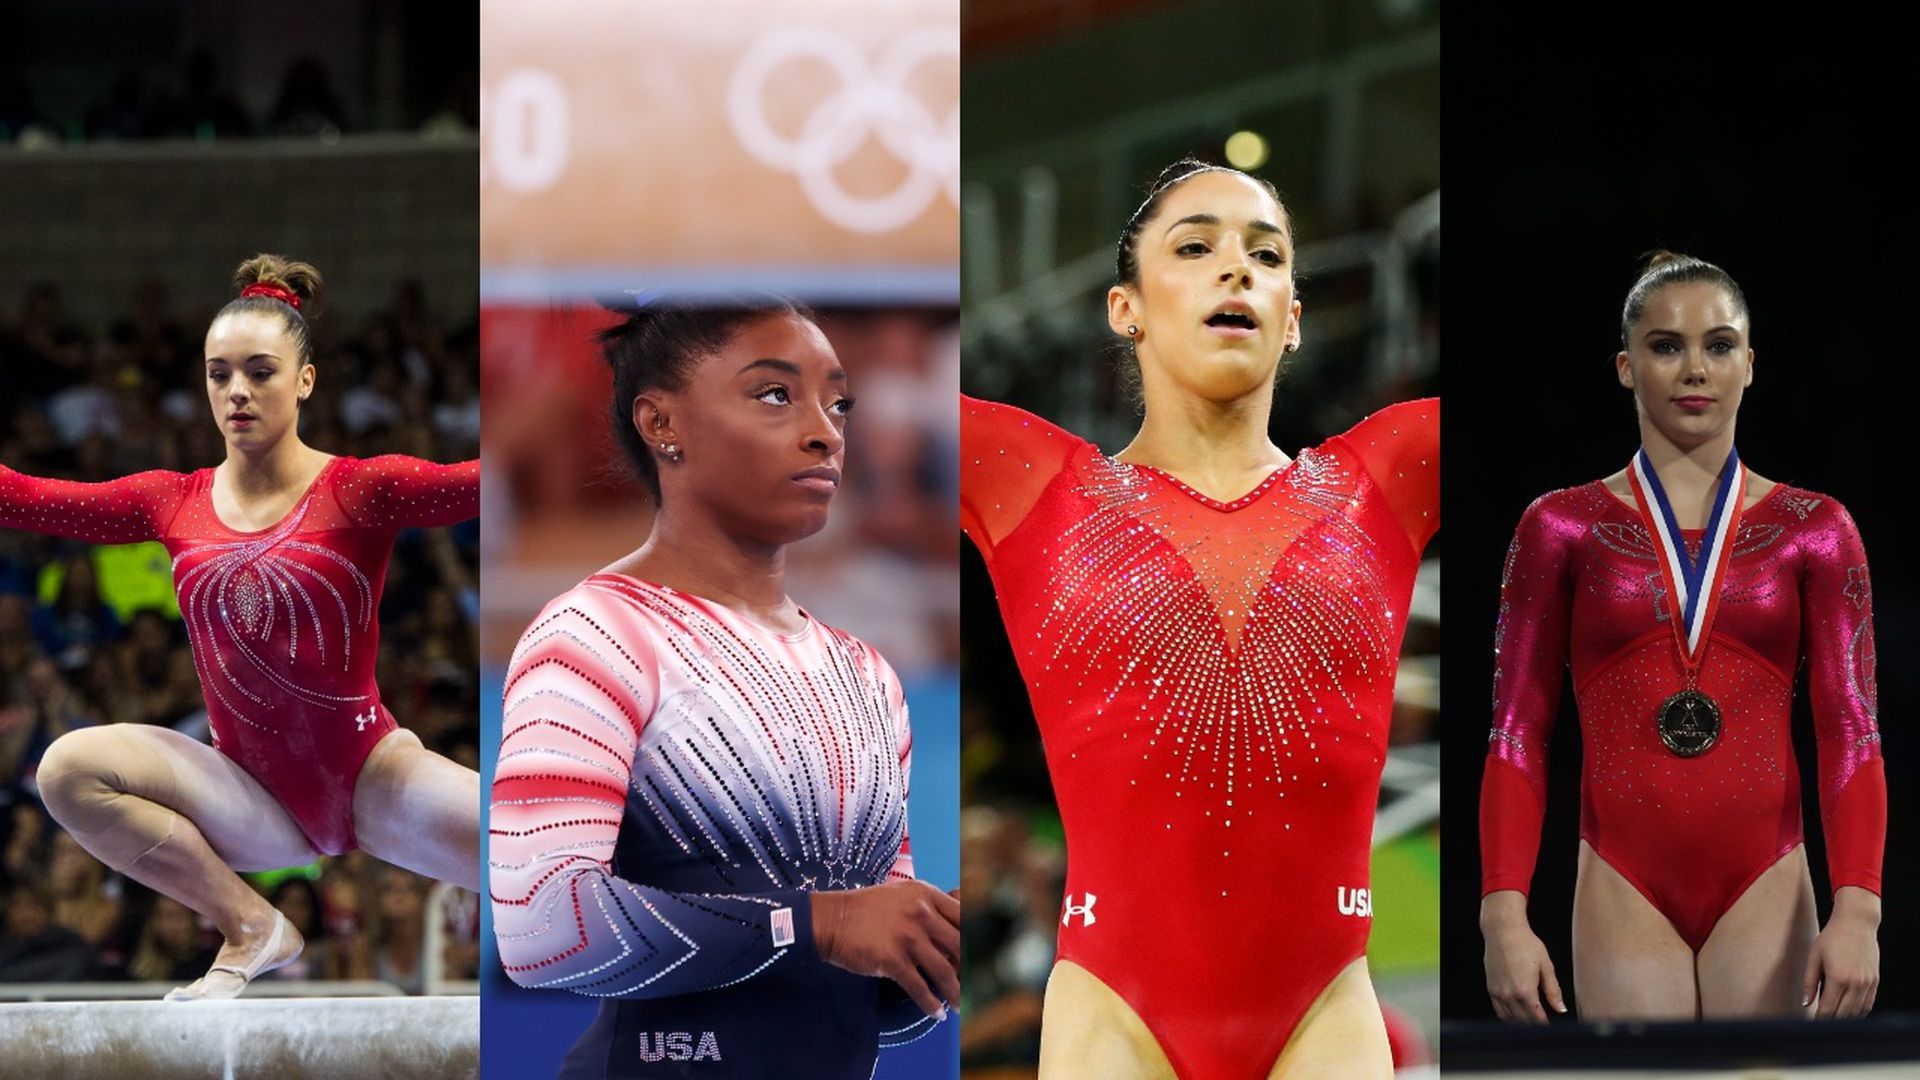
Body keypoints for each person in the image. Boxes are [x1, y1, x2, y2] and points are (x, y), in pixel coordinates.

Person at [962, 159, 1438, 1079]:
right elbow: (826, 398)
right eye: (1195, 247)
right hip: (1113, 1014)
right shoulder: (1035, 487)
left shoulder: (1384, 476)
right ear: (1125, 308)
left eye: (1268, 256)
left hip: (1325, 1014)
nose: (1238, 270)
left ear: (1293, 317)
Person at [490, 299, 957, 1079]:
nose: (825, 431)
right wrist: (819, 926)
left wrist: (931, 953)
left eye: (837, 401)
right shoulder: (596, 633)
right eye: (776, 394)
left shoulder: (868, 675)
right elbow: (541, 931)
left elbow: (867, 986)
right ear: (661, 422)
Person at [0, 254, 480, 1000]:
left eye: (260, 371)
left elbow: (493, 484)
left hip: (372, 777)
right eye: (219, 374)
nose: (237, 392)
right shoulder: (171, 500)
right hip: (247, 794)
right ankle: (250, 925)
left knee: (558, 855)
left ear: (306, 380)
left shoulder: (361, 489)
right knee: (68, 769)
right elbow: (26, 499)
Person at [1479, 252, 1884, 1023]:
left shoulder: (1817, 532)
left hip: (1765, 877)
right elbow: (1516, 731)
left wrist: (1859, 909)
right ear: (1627, 368)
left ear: (1751, 365)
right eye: (1666, 346)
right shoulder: (1560, 528)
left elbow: (1851, 731)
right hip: (1621, 880)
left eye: (1719, 344)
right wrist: (1502, 911)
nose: (1694, 368)